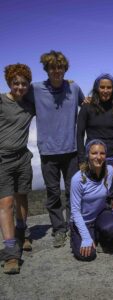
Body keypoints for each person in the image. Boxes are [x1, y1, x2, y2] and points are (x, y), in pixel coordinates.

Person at [27, 50, 85, 248]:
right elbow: (18, 100)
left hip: (71, 150)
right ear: (46, 69)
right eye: (52, 67)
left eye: (60, 67)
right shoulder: (35, 89)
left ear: (65, 69)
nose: (57, 71)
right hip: (48, 152)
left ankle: (73, 224)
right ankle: (59, 230)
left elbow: (86, 105)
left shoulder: (74, 88)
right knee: (53, 194)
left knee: (72, 192)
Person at [0, 64, 35, 274]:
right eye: (16, 83)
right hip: (2, 158)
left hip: (22, 157)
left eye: (23, 83)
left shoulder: (30, 105)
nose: (20, 87)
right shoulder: (1, 101)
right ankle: (11, 252)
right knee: (6, 202)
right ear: (9, 83)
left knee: (22, 196)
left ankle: (22, 233)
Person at [70, 139, 113, 261]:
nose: (98, 157)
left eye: (102, 153)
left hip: (100, 215)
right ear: (88, 155)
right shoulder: (78, 179)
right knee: (87, 255)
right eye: (94, 153)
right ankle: (78, 236)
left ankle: (97, 234)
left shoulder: (109, 171)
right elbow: (75, 212)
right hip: (83, 220)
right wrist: (86, 238)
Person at [77, 73, 113, 201]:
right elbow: (79, 134)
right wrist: (81, 159)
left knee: (112, 190)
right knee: (92, 191)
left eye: (109, 87)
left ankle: (110, 217)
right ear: (97, 88)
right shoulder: (87, 107)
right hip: (93, 157)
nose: (105, 90)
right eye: (102, 87)